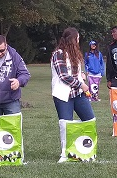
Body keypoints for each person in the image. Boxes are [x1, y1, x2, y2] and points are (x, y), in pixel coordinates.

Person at [51, 27, 96, 162]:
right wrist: (80, 84)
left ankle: (88, 150)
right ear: (72, 40)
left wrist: (81, 76)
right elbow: (63, 76)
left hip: (79, 94)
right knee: (65, 124)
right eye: (77, 38)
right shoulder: (58, 54)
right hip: (63, 94)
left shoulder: (75, 53)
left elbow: (75, 73)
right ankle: (65, 153)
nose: (78, 40)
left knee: (89, 120)